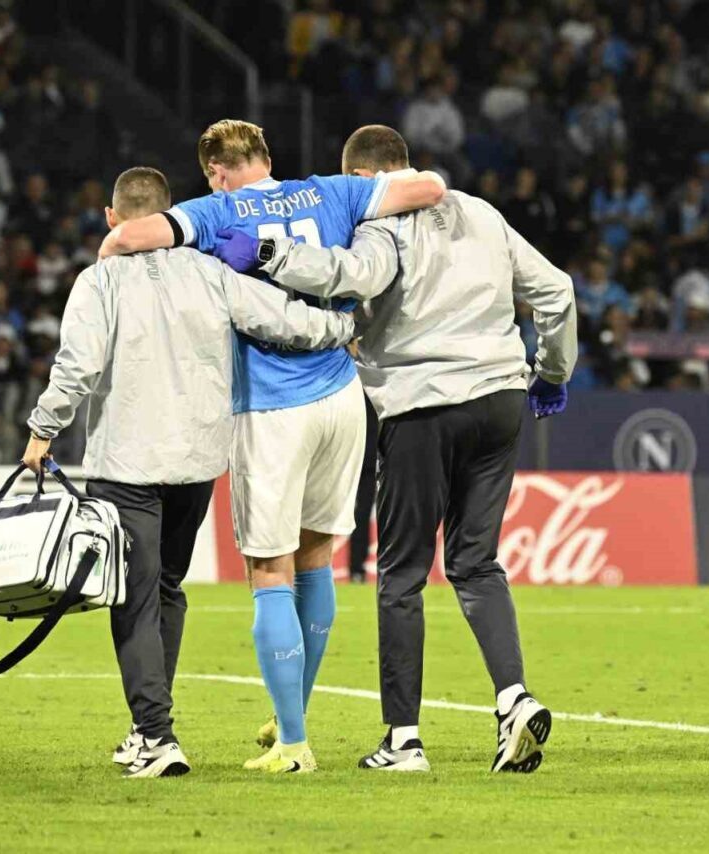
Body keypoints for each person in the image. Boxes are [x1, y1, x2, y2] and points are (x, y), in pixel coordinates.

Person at [213, 124, 576, 774]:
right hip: (500, 400)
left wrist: (267, 253)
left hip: (423, 405)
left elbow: (352, 275)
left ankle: (403, 741)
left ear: (365, 180)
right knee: (476, 564)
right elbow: (556, 290)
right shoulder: (482, 213)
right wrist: (552, 371)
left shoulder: (379, 224)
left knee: (402, 576)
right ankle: (514, 699)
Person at [98, 120, 446, 774]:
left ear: (216, 171)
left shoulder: (216, 211)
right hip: (343, 395)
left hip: (272, 405)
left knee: (270, 571)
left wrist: (108, 250)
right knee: (317, 562)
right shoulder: (333, 191)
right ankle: (292, 712)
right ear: (266, 155)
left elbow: (132, 236)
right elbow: (428, 188)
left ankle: (293, 743)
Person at [22, 167, 357, 778]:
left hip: (127, 463)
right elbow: (283, 318)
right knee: (167, 588)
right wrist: (344, 327)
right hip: (197, 463)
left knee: (135, 598)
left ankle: (157, 736)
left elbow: (78, 365)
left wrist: (43, 429)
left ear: (112, 219)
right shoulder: (210, 271)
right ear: (167, 216)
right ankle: (145, 729)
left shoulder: (100, 281)